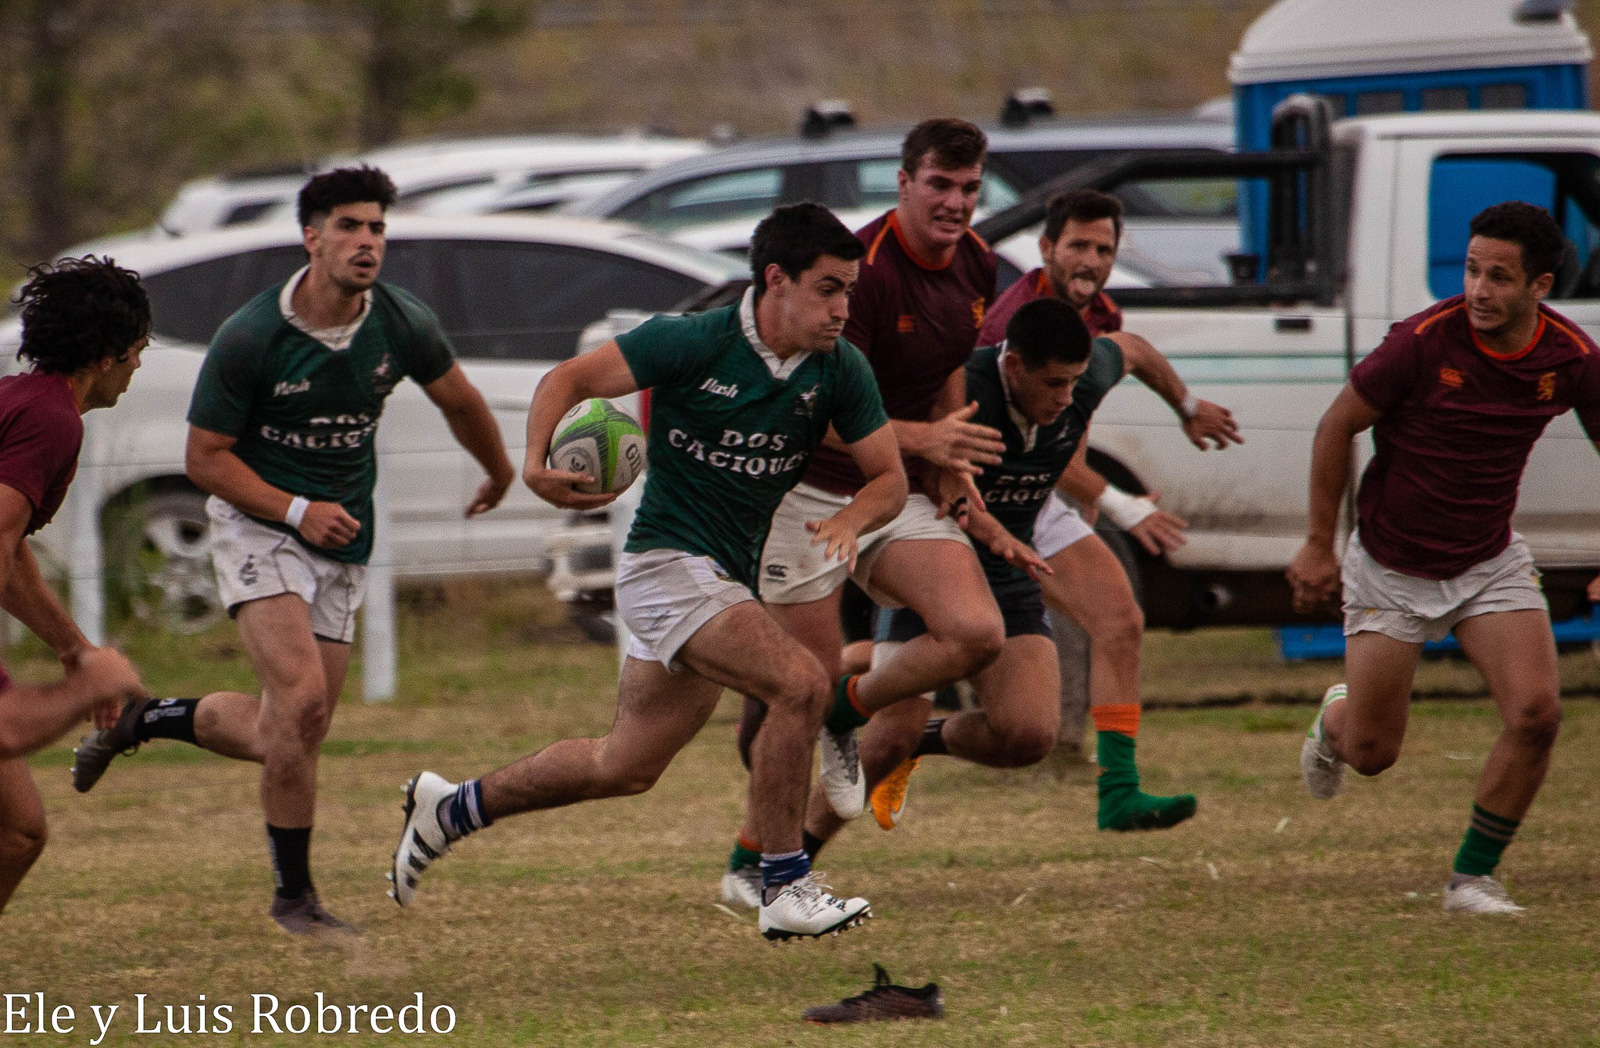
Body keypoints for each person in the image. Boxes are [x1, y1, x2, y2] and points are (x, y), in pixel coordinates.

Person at [389, 203, 906, 941]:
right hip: (665, 563)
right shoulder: (693, 342)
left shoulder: (839, 369)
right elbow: (567, 380)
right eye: (828, 289)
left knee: (625, 765)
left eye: (849, 290)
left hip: (722, 580)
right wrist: (535, 464)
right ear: (776, 281)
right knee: (799, 683)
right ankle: (784, 886)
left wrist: (854, 518)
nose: (843, 308)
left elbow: (889, 476)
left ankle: (453, 807)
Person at [71, 166, 517, 935]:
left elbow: (461, 399)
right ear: (311, 237)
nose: (366, 241)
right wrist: (297, 509)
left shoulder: (401, 321)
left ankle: (143, 719)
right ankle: (294, 900)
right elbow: (206, 456)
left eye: (376, 228)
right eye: (349, 226)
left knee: (293, 729)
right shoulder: (253, 336)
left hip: (341, 541)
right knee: (300, 704)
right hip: (260, 526)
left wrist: (500, 470)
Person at [866, 190, 1242, 835]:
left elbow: (1138, 352)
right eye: (1079, 246)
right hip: (969, 499)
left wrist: (1187, 407)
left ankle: (1118, 789)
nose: (1092, 260)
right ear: (1046, 250)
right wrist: (1116, 501)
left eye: (1105, 249)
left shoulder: (1096, 316)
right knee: (944, 657)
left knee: (1119, 619)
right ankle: (859, 698)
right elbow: (1014, 438)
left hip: (1034, 497)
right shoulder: (1005, 330)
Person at [721, 119, 1008, 906]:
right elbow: (820, 405)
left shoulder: (977, 261)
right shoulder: (863, 272)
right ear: (904, 183)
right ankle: (759, 867)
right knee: (794, 695)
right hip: (810, 496)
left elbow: (949, 366)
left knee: (976, 634)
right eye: (939, 185)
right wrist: (929, 439)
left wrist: (947, 462)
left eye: (969, 187)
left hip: (899, 493)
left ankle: (847, 709)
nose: (955, 202)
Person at [1288, 201, 1600, 915]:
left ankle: (1471, 879)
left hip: (1488, 561)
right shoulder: (1422, 342)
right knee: (1372, 754)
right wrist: (1317, 543)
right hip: (1391, 565)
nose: (1479, 290)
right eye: (1471, 269)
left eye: (1499, 277)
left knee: (1537, 716)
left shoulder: (1570, 357)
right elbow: (1337, 426)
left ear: (1539, 287)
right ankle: (1335, 717)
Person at [0, 256, 150, 914]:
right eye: (139, 352)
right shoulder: (50, 421)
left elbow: (11, 547)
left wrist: (72, 648)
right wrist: (89, 685)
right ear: (112, 353)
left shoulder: (29, 402)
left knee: (19, 830)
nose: (140, 367)